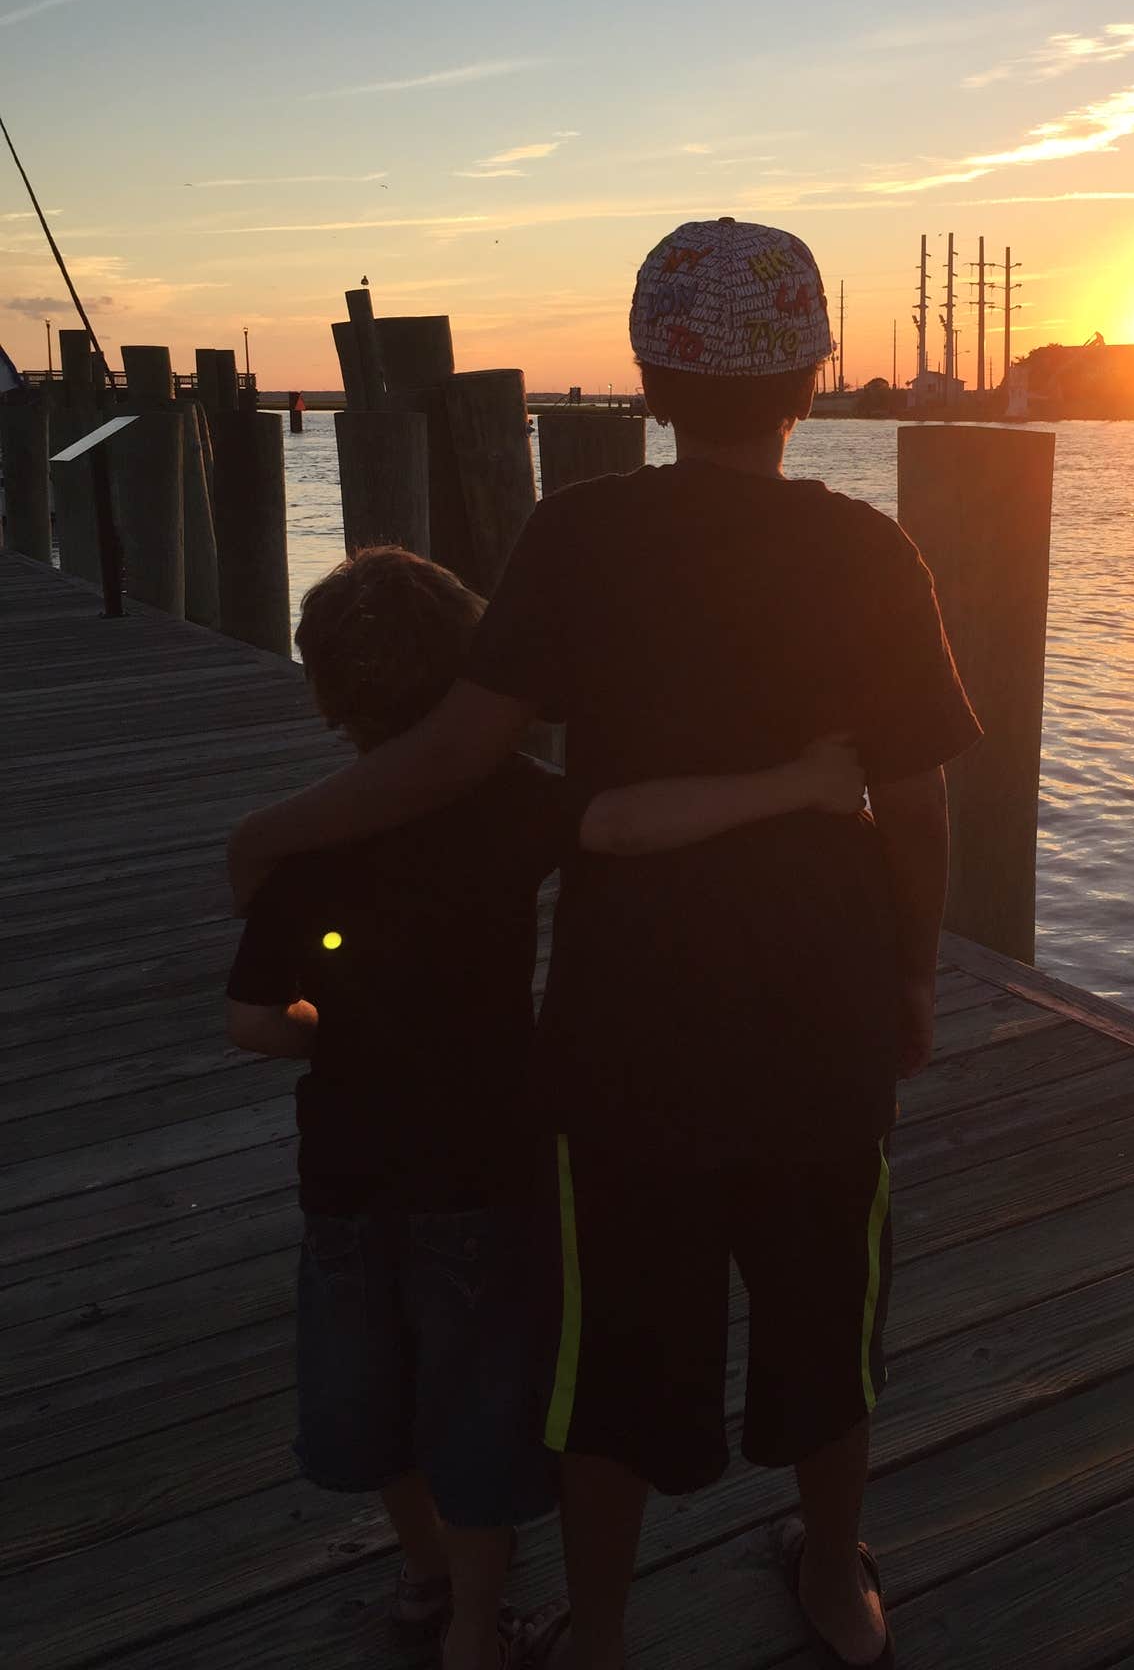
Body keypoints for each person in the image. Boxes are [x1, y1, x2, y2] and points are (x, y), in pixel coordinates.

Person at [229, 218, 979, 1670]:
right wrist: (913, 974)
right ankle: (836, 1585)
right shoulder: (871, 550)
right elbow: (919, 804)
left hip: (628, 1030)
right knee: (828, 1319)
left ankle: (607, 1633)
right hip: (822, 1017)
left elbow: (458, 748)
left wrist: (279, 830)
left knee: (613, 1348)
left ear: (646, 381)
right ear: (812, 381)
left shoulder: (579, 532)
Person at [225, 542, 870, 1670]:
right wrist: (796, 783)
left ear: (327, 695)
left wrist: (325, 1030)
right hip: (485, 1162)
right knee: (481, 1396)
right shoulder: (514, 798)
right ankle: (478, 1629)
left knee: (375, 1384)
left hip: (342, 1170)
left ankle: (424, 1573)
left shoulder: (308, 842)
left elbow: (253, 1021)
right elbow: (628, 823)